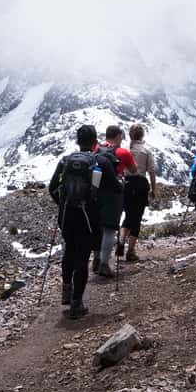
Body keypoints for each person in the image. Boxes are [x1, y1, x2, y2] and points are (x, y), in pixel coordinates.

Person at [48, 124, 117, 318]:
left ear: (78, 141)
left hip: (66, 215)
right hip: (88, 216)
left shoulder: (65, 161)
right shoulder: (100, 161)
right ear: (95, 141)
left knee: (69, 250)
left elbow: (52, 188)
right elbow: (116, 187)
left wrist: (63, 204)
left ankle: (66, 290)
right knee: (82, 256)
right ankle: (77, 303)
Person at [93, 125, 137, 277]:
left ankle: (96, 259)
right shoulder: (123, 152)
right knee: (109, 229)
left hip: (96, 191)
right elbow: (134, 170)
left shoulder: (96, 150)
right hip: (114, 193)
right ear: (118, 136)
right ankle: (104, 264)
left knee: (97, 227)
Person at [120, 124, 157, 262]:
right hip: (141, 184)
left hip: (127, 184)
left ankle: (121, 241)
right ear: (142, 135)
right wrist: (153, 189)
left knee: (128, 216)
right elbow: (152, 172)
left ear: (130, 135)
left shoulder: (125, 151)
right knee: (137, 218)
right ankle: (130, 251)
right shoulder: (146, 151)